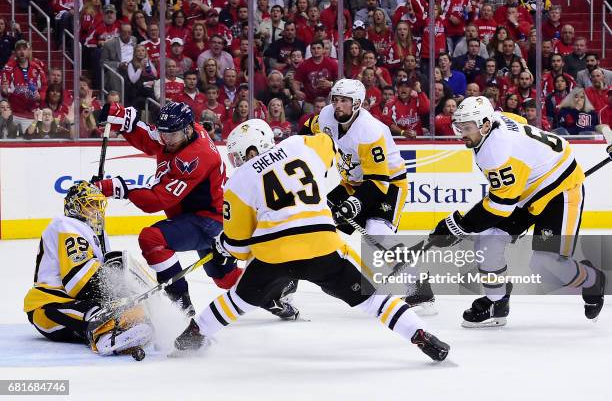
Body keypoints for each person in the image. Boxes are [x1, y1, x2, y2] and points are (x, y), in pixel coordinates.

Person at [172, 119, 450, 362]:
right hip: (322, 245)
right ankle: (421, 335)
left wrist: (224, 246)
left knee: (237, 301)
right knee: (374, 299)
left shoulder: (238, 181)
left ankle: (191, 337)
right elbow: (328, 144)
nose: (236, 161)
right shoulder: (299, 146)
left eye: (236, 155)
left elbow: (240, 247)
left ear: (249, 150)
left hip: (274, 255)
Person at [429, 96, 606, 327]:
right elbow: (520, 124)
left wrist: (459, 226)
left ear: (484, 125)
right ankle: (497, 301)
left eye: (467, 127)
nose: (461, 133)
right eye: (458, 127)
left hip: (560, 192)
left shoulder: (496, 151)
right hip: (525, 189)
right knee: (487, 241)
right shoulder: (497, 121)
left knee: (545, 265)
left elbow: (499, 207)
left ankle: (592, 279)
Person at [94, 102, 238, 316]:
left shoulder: (194, 158)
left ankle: (182, 309)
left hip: (210, 221)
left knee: (152, 239)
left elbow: (156, 200)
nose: (166, 140)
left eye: (172, 135)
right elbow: (152, 140)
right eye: (164, 133)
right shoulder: (180, 132)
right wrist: (126, 121)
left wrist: (118, 188)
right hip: (199, 215)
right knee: (225, 280)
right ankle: (274, 287)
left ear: (188, 130)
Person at [301, 79, 434, 310]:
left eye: (345, 101)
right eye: (336, 99)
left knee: (378, 234)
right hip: (353, 182)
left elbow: (378, 181)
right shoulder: (326, 116)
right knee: (313, 218)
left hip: (388, 185)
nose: (338, 105)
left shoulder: (370, 130)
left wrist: (353, 204)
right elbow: (306, 130)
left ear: (358, 104)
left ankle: (420, 290)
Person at [23, 182, 153, 356]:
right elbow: (80, 281)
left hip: (75, 302)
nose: (96, 210)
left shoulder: (96, 233)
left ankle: (119, 329)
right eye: (90, 205)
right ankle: (104, 335)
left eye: (98, 204)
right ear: (75, 207)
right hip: (48, 306)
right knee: (100, 311)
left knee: (131, 309)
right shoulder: (66, 225)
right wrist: (121, 292)